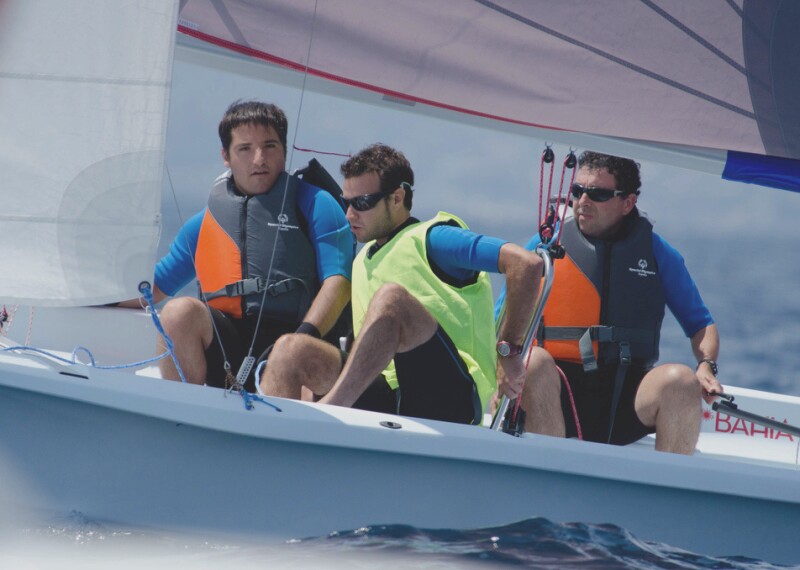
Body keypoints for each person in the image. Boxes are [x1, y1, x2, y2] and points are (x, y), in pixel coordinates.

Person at [260, 143, 543, 424]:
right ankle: (274, 446)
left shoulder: (434, 238)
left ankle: (329, 418)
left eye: (361, 203)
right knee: (289, 350)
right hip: (385, 394)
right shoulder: (361, 262)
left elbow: (525, 264)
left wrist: (508, 351)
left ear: (397, 198)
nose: (349, 215)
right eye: (346, 202)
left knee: (391, 299)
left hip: (451, 397)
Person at [496, 150, 722, 454]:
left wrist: (706, 365)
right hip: (555, 393)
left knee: (681, 381)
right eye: (577, 191)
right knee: (532, 361)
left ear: (628, 202)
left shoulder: (656, 254)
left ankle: (666, 493)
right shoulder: (543, 247)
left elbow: (701, 325)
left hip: (626, 398)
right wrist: (502, 367)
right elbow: (500, 320)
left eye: (598, 194)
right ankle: (548, 486)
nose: (583, 201)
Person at [120, 100, 353, 392]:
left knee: (289, 350)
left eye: (270, 146)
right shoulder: (203, 225)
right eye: (245, 149)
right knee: (178, 312)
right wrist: (87, 293)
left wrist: (302, 339)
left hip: (303, 348)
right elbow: (153, 288)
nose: (259, 159)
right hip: (231, 355)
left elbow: (339, 283)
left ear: (284, 149)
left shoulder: (317, 205)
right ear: (226, 156)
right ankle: (186, 415)